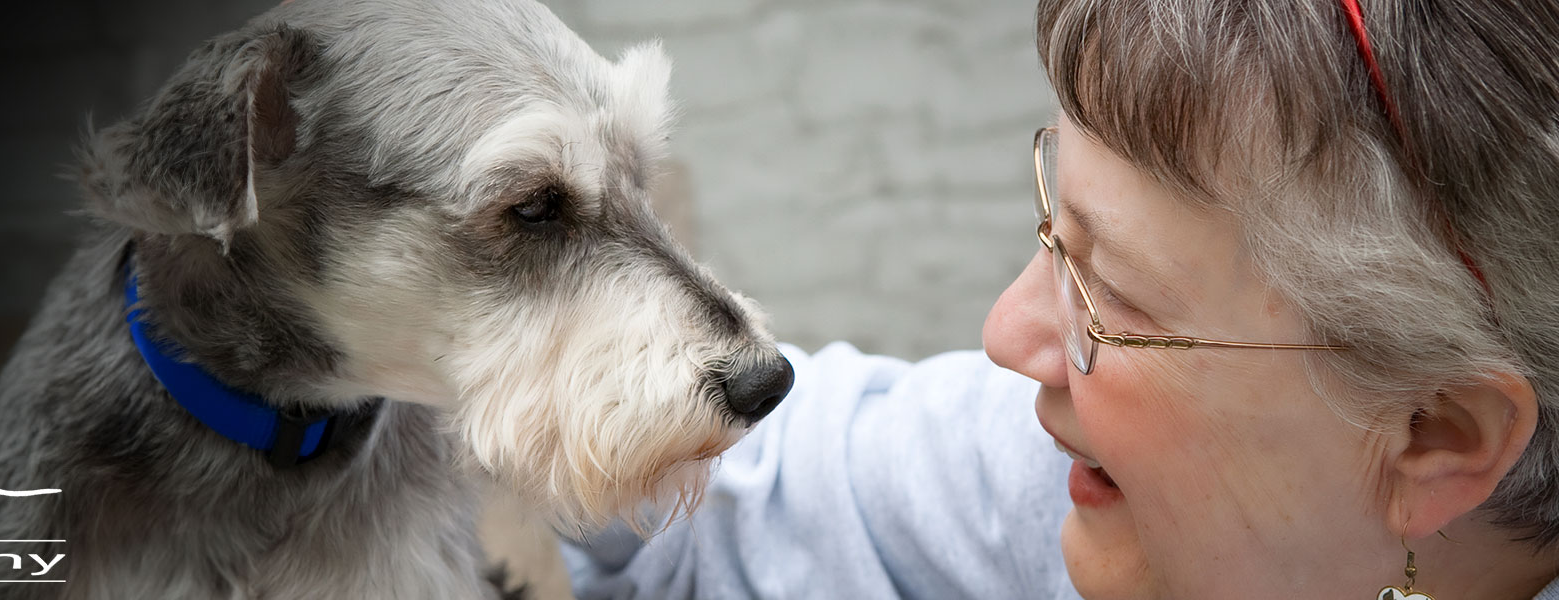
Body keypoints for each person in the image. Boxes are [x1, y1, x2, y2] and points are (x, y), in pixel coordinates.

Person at [564, 0, 1559, 598]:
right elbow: (735, 506)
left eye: (1112, 290)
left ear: (1433, 430)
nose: (1006, 334)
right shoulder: (1062, 486)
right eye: (1053, 234)